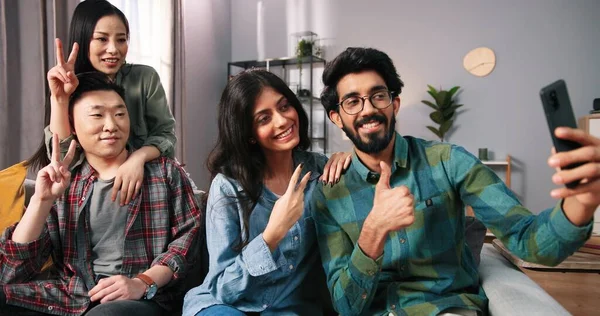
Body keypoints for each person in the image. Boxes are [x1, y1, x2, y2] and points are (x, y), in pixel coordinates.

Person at [312, 47, 599, 316]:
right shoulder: (329, 193)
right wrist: (373, 231)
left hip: (445, 309)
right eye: (352, 102)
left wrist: (581, 203)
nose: (368, 109)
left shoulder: (449, 162)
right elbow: (345, 305)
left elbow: (529, 241)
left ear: (394, 104)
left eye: (378, 96)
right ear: (336, 118)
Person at [0, 72, 201, 316]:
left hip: (143, 298)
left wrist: (142, 282)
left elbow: (187, 243)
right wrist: (41, 201)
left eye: (119, 114)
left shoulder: (165, 173)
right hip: (73, 295)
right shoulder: (66, 182)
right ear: (72, 126)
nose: (111, 125)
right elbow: (13, 273)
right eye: (97, 115)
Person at [182, 69, 349, 316]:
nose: (282, 121)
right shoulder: (227, 186)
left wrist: (348, 160)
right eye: (264, 118)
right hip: (225, 306)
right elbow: (222, 288)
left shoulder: (320, 170)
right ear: (248, 134)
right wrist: (272, 234)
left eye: (284, 107)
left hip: (290, 308)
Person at [27, 0, 177, 206]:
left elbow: (166, 135)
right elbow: (62, 157)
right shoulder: (68, 84)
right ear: (82, 38)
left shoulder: (145, 78)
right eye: (102, 39)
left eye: (121, 39)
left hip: (145, 182)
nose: (113, 49)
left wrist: (137, 159)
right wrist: (60, 99)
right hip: (90, 191)